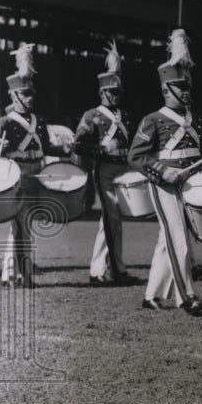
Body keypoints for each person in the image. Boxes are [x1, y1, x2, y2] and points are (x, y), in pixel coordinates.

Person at [128, 29, 202, 314]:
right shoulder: (152, 120)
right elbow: (135, 156)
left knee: (169, 239)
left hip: (191, 185)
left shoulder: (197, 120)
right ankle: (187, 297)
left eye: (188, 86)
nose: (187, 91)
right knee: (178, 238)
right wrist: (163, 172)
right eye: (181, 87)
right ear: (166, 90)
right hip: (165, 184)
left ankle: (151, 295)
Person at [0, 44, 71, 287]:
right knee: (21, 225)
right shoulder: (4, 121)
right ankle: (21, 276)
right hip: (18, 174)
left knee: (24, 224)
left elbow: (46, 148)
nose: (30, 97)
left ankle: (9, 274)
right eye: (25, 94)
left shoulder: (40, 120)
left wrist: (64, 150)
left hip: (37, 172)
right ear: (13, 96)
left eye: (31, 93)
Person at [74, 41, 134, 285]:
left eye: (118, 91)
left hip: (124, 170)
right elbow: (78, 144)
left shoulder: (125, 116)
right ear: (102, 92)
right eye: (111, 92)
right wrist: (100, 148)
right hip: (105, 170)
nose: (115, 95)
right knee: (111, 220)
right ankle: (110, 271)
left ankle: (103, 269)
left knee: (112, 221)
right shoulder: (92, 115)